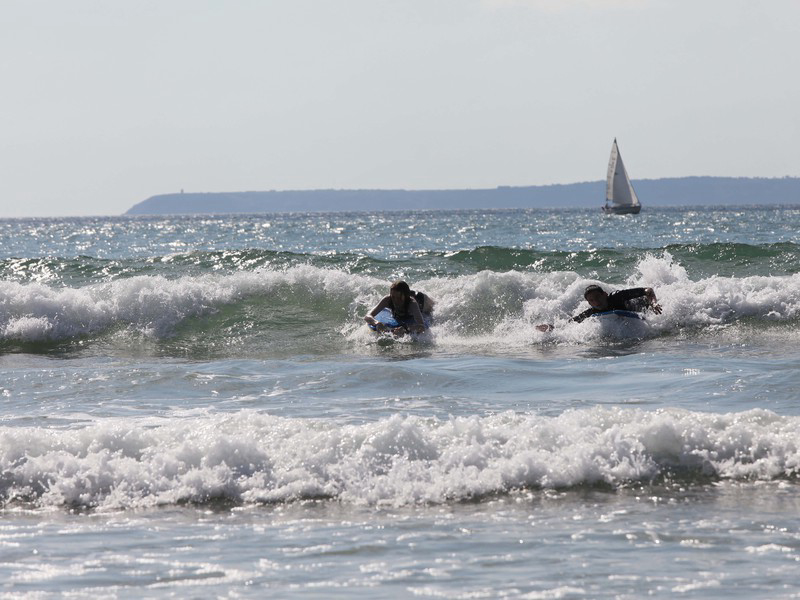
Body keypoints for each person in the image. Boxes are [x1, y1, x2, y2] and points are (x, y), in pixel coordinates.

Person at [536, 284, 661, 332]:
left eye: (597, 297)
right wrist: (550, 328)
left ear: (605, 294)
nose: (596, 302)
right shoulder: (594, 311)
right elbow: (570, 323)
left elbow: (647, 290)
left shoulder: (617, 296)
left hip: (643, 305)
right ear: (589, 303)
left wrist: (654, 303)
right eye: (591, 301)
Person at [364, 280, 434, 335]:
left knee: (431, 311)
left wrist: (405, 328)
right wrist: (376, 323)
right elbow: (367, 316)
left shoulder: (412, 303)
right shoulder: (388, 300)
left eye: (398, 298)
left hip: (422, 300)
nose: (395, 301)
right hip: (406, 295)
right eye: (393, 297)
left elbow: (421, 327)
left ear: (406, 296)